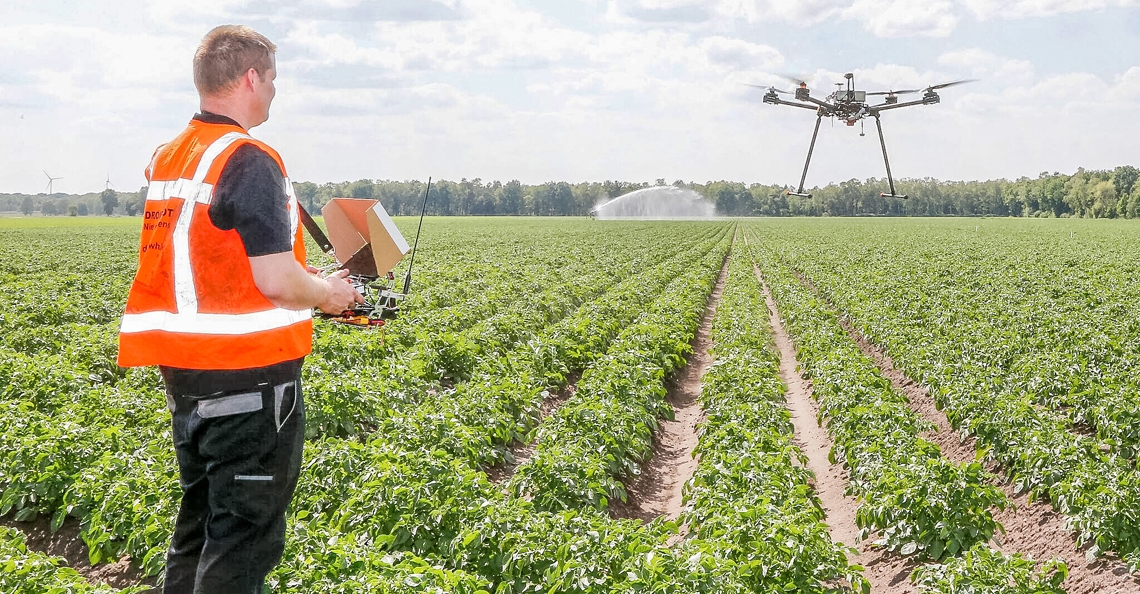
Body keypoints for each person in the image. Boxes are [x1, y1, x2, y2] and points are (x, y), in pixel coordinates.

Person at [117, 25, 362, 593]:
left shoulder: (173, 155)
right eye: (273, 78)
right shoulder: (248, 158)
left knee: (199, 531)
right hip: (250, 382)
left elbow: (213, 259)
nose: (275, 91)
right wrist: (330, 294)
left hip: (186, 378)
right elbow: (275, 280)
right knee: (242, 546)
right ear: (252, 78)